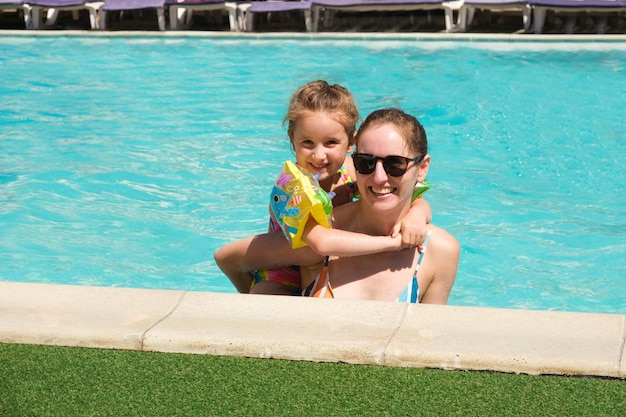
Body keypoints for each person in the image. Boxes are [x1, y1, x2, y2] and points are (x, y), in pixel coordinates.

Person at [214, 81, 433, 295]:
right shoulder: (292, 185)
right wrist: (391, 244)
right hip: (284, 270)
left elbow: (409, 191)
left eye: (330, 143)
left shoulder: (354, 170)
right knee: (267, 304)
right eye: (307, 143)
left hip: (323, 266)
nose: (319, 156)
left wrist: (417, 212)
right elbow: (320, 242)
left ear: (350, 143)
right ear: (292, 140)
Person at [302, 108, 460, 303]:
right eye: (366, 163)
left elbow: (428, 332)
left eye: (395, 164)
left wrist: (420, 210)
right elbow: (252, 258)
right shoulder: (322, 228)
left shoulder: (440, 250)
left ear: (423, 168)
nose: (379, 177)